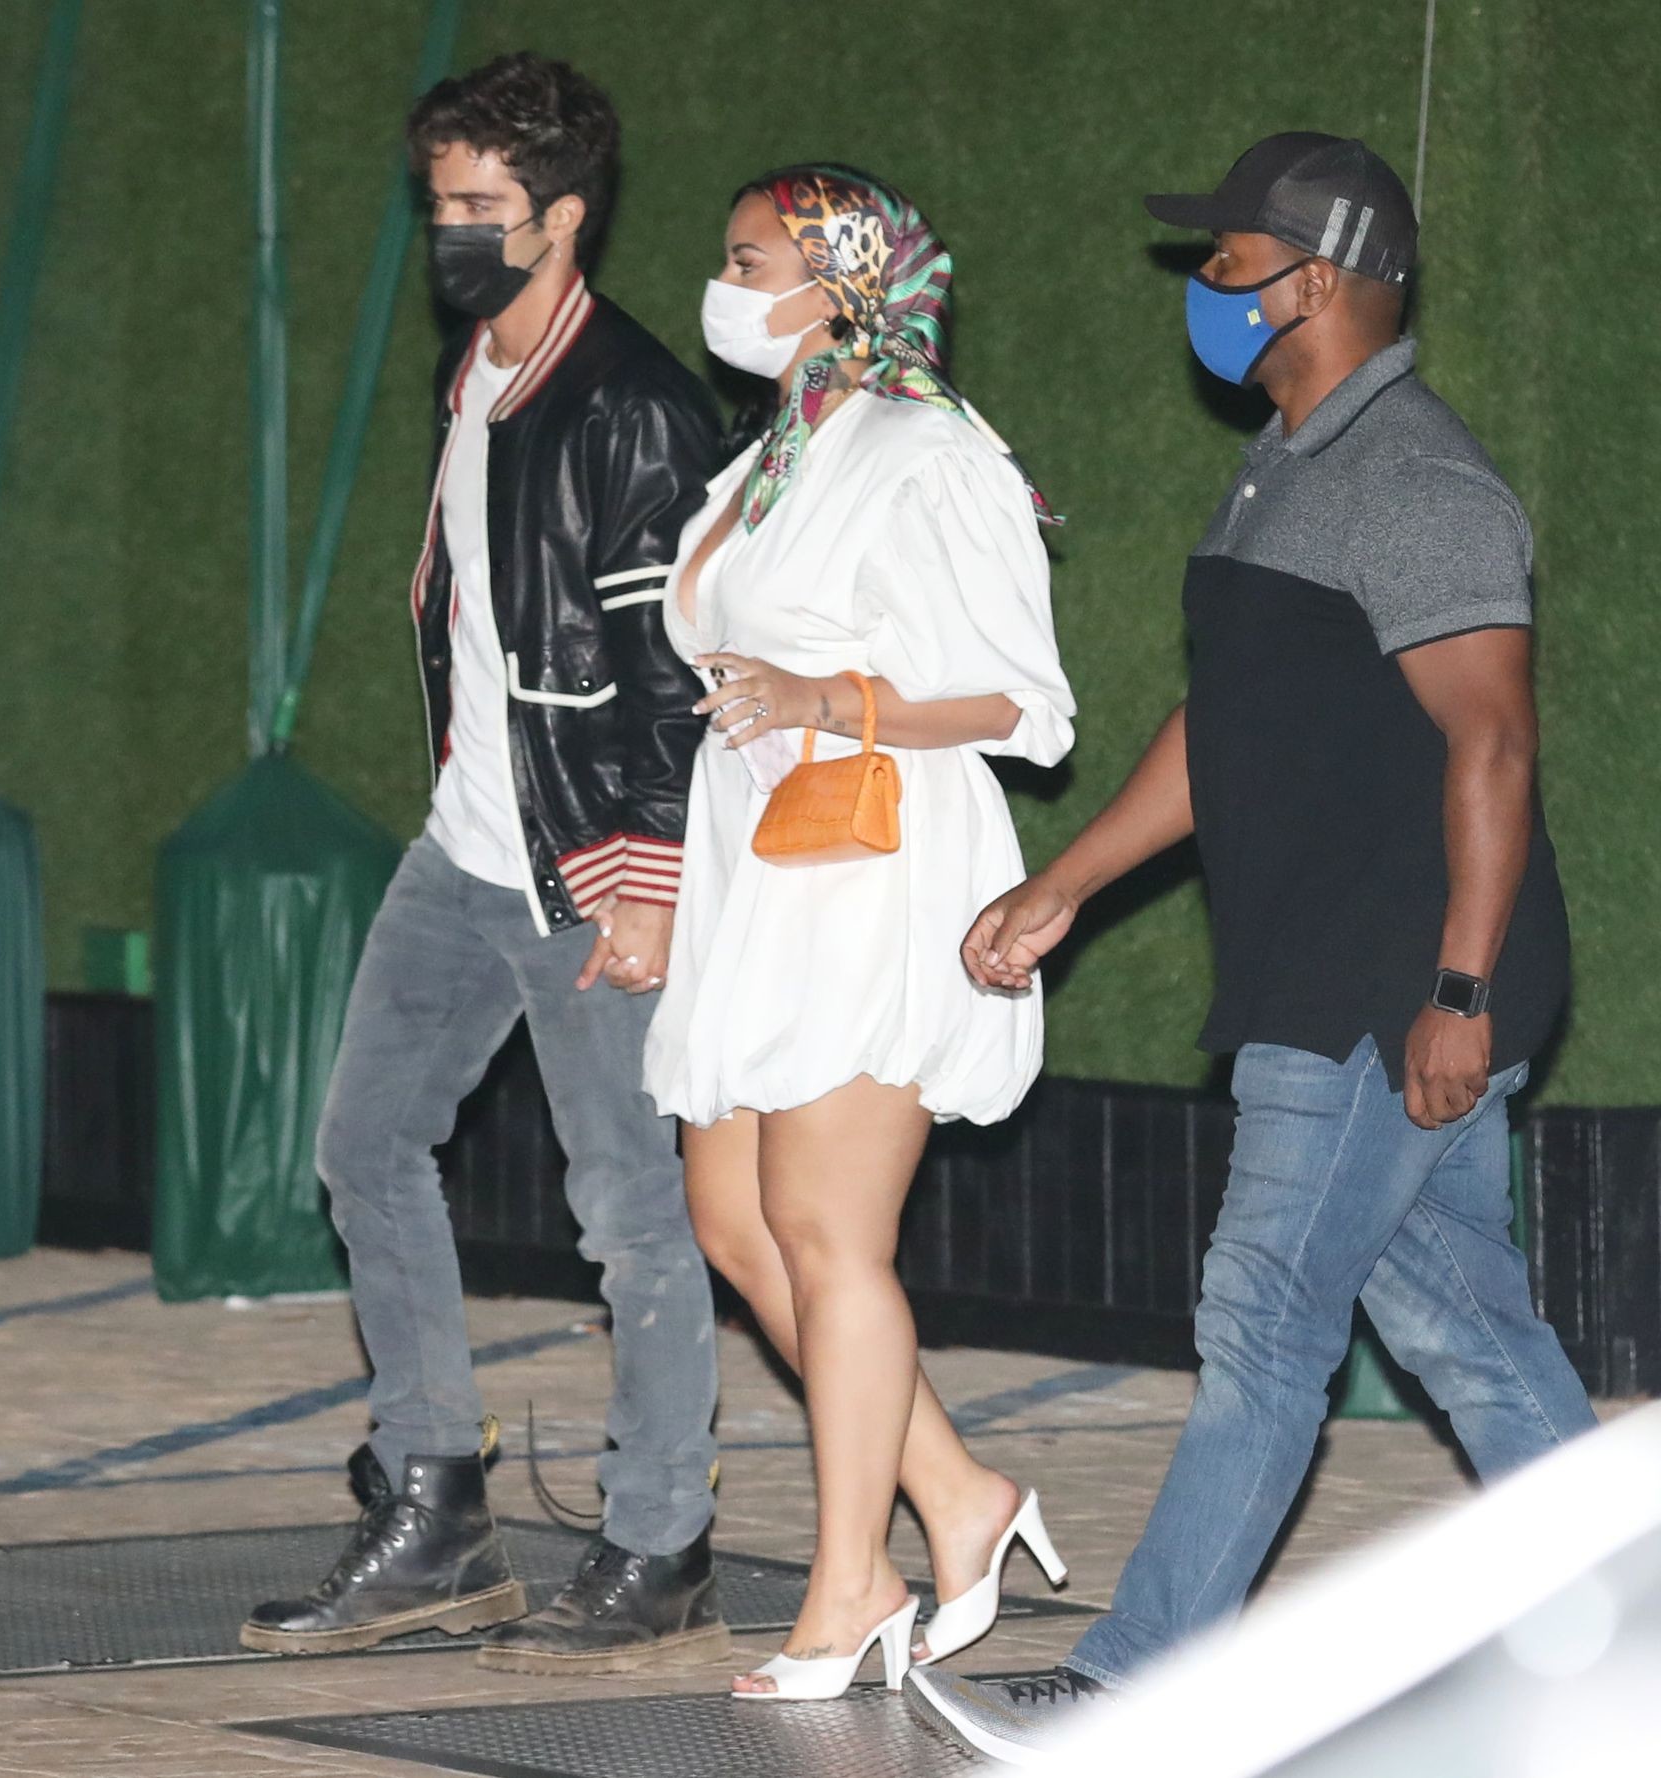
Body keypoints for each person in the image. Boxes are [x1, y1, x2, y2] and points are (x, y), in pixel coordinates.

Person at [910, 133, 1597, 1762]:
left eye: (1227, 257)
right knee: (1469, 1329)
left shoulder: (1419, 480)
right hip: (1328, 964)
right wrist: (1070, 882)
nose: (1203, 282)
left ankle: (1136, 1692)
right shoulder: (1288, 461)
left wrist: (1459, 989)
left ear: (1322, 278)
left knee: (1266, 1318)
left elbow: (1495, 742)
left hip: (1389, 975)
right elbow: (1229, 725)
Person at [241, 52, 729, 1676]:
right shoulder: (477, 371)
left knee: (633, 1212)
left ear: (562, 215)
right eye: (436, 199)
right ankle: (436, 1504)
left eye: (477, 204)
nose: (448, 228)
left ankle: (659, 1538)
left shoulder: (635, 405)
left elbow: (673, 675)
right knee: (365, 1143)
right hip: (466, 843)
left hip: (588, 862)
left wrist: (650, 877)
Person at [642, 164, 1077, 1701]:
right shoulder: (774, 455)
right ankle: (958, 1493)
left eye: (750, 259)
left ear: (840, 282)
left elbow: (1028, 702)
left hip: (876, 867)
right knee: (736, 1222)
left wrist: (828, 696)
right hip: (757, 872)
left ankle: (851, 1585)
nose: (726, 284)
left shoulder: (926, 449)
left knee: (831, 1232)